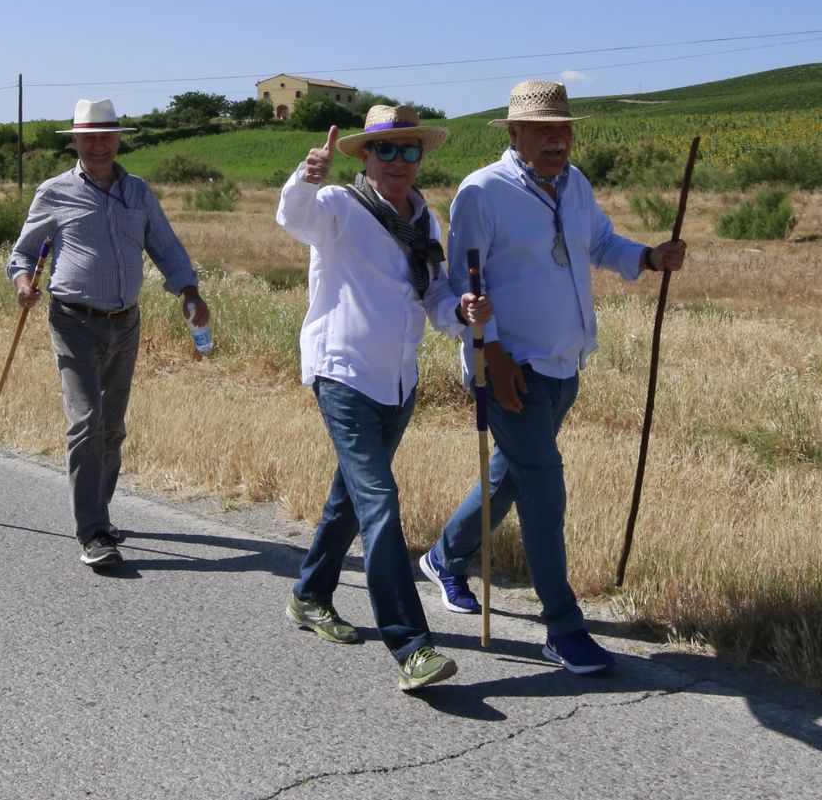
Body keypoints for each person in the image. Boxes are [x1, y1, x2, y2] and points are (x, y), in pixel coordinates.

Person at [421, 80, 687, 674]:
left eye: (563, 128)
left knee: (511, 479)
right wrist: (490, 357)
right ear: (513, 133)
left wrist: (647, 257)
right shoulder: (482, 193)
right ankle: (563, 629)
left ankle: (445, 556)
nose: (556, 139)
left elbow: (599, 242)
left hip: (566, 364)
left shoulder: (576, 184)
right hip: (510, 370)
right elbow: (463, 285)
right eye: (542, 129)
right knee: (544, 491)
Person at [277, 105, 491, 693]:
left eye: (410, 150)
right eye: (386, 151)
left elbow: (436, 293)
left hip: (398, 380)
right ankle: (411, 646)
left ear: (422, 157)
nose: (399, 162)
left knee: (349, 499)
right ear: (365, 156)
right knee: (380, 504)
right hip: (343, 373)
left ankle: (309, 595)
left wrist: (461, 312)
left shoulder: (427, 221)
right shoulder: (338, 208)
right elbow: (292, 216)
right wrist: (307, 173)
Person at [7, 98, 208, 569]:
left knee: (112, 427)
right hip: (73, 320)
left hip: (126, 322)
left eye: (106, 136)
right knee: (86, 422)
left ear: (119, 139)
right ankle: (93, 531)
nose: (98, 145)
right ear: (74, 141)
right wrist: (22, 283)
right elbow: (22, 255)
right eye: (88, 138)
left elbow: (167, 247)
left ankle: (100, 510)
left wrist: (190, 293)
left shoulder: (138, 192)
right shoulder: (54, 192)